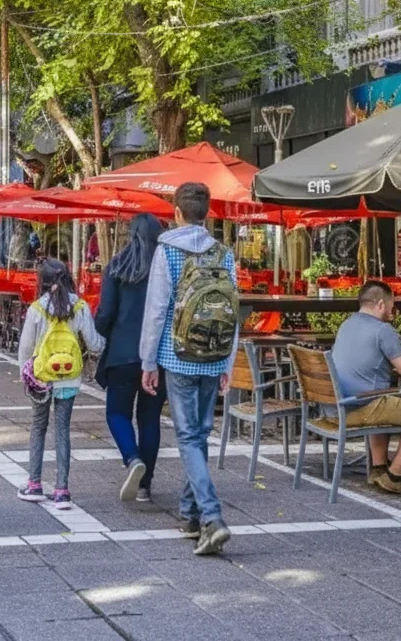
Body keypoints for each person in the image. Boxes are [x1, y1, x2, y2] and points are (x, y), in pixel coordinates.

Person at [140, 182, 239, 556]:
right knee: (199, 434)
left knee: (188, 436)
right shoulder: (223, 253)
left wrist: (148, 361)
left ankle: (211, 517)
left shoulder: (167, 250)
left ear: (176, 212)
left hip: (177, 355)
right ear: (208, 213)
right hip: (214, 356)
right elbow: (232, 311)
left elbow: (156, 311)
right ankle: (191, 514)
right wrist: (228, 361)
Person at [17, 259, 105, 510]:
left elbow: (25, 349)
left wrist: (26, 376)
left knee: (38, 427)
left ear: (42, 281)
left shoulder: (36, 309)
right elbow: (95, 344)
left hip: (41, 379)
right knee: (62, 429)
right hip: (69, 378)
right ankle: (62, 490)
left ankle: (34, 484)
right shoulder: (80, 306)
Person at [331, 280, 401, 496]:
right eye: (391, 306)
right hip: (361, 406)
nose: (392, 311)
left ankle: (378, 468)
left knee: (384, 397)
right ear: (380, 304)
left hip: (336, 405)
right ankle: (394, 476)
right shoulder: (383, 330)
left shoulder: (347, 324)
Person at [95, 213, 166, 503]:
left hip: (122, 354)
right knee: (150, 418)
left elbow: (105, 313)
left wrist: (102, 330)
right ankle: (145, 486)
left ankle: (132, 458)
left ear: (130, 234)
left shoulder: (117, 266)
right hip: (157, 357)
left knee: (117, 413)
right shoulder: (165, 268)